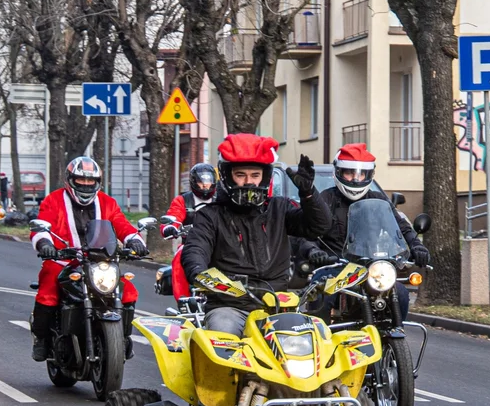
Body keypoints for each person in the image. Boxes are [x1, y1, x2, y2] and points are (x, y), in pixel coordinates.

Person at [181, 134, 331, 337]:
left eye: (255, 175)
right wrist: (199, 272)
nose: (248, 182)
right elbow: (196, 248)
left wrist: (309, 194)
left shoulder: (280, 208)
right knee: (221, 335)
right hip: (230, 306)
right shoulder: (210, 215)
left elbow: (318, 226)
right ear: (227, 176)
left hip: (278, 306)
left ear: (265, 177)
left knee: (313, 343)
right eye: (240, 175)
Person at [29, 156, 149, 362]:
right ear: (70, 180)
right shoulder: (54, 200)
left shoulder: (107, 202)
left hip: (100, 261)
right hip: (64, 260)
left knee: (128, 292)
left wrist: (134, 241)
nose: (85, 185)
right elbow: (42, 225)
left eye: (90, 182)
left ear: (97, 182)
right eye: (80, 181)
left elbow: (122, 224)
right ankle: (42, 338)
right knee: (48, 287)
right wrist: (45, 245)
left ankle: (123, 337)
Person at [296, 143, 429, 319]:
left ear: (369, 175)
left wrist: (416, 246)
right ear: (338, 173)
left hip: (372, 269)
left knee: (401, 293)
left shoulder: (378, 200)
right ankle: (322, 341)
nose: (355, 179)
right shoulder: (325, 199)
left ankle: (394, 336)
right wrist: (314, 251)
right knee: (322, 296)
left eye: (361, 174)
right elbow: (306, 229)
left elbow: (401, 227)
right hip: (334, 266)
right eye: (349, 173)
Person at [162, 162, 218, 305]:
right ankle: (183, 300)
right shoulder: (183, 200)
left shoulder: (221, 200)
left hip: (219, 242)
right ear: (194, 182)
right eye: (201, 183)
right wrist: (170, 227)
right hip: (191, 243)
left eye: (208, 182)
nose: (205, 186)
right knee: (179, 256)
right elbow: (173, 216)